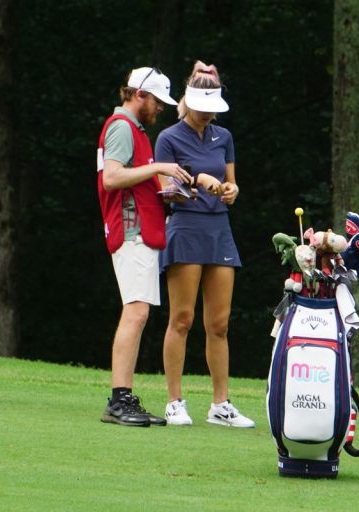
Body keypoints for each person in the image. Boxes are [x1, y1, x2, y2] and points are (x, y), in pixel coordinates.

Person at [155, 61, 254, 428]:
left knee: (220, 323)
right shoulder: (169, 137)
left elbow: (232, 183)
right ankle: (175, 401)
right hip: (185, 227)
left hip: (219, 229)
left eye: (214, 106)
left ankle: (220, 405)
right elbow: (165, 191)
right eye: (204, 105)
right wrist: (198, 179)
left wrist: (231, 190)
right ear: (190, 100)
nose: (209, 112)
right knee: (182, 319)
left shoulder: (223, 136)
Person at [96, 67, 192, 427]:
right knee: (135, 313)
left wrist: (171, 189)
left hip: (140, 230)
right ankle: (119, 400)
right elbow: (113, 177)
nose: (160, 109)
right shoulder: (122, 127)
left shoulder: (133, 130)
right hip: (131, 231)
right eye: (156, 101)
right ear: (140, 94)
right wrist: (159, 169)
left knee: (138, 314)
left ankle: (123, 398)